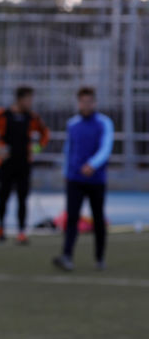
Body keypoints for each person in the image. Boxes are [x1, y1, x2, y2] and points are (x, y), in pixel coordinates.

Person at [0, 86, 50, 244]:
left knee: (23, 198)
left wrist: (36, 148)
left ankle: (21, 232)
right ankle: (0, 228)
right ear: (20, 99)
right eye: (28, 99)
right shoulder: (2, 115)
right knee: (3, 196)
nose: (30, 102)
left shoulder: (32, 117)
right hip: (5, 163)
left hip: (24, 163)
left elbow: (45, 134)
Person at [53, 87, 113, 271]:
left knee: (97, 218)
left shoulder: (104, 122)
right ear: (78, 103)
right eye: (82, 101)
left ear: (94, 102)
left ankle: (99, 258)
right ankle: (67, 255)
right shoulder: (73, 123)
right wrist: (66, 171)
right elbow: (68, 149)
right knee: (72, 218)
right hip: (75, 179)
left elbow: (106, 147)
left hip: (96, 180)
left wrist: (93, 164)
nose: (86, 105)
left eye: (89, 101)